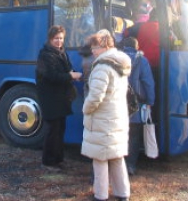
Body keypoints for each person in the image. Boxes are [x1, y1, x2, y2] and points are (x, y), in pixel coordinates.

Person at [81, 29, 131, 201]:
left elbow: (95, 96)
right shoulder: (120, 64)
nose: (92, 51)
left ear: (104, 46)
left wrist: (85, 109)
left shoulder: (102, 67)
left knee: (100, 158)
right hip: (117, 117)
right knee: (117, 157)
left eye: (95, 47)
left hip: (103, 120)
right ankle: (122, 193)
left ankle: (100, 195)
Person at [36, 25, 82, 171]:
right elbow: (51, 76)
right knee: (52, 131)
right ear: (50, 39)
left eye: (61, 38)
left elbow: (68, 68)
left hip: (61, 97)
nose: (59, 41)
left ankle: (58, 159)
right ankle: (48, 162)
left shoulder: (62, 52)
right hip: (51, 98)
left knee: (60, 129)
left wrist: (74, 74)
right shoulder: (45, 55)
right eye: (56, 38)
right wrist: (70, 76)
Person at [121, 37, 155, 176]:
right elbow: (148, 83)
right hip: (136, 103)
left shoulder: (117, 59)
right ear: (137, 46)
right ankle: (130, 165)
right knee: (134, 135)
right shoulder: (142, 60)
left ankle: (119, 164)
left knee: (120, 134)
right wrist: (150, 101)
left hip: (119, 102)